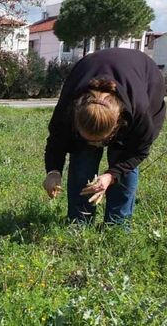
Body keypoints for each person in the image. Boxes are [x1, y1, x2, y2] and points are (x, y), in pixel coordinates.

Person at [43, 48, 165, 225]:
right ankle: (79, 221)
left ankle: (117, 224)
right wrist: (53, 171)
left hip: (145, 79)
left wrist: (111, 175)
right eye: (89, 139)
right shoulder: (69, 107)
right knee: (82, 155)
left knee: (122, 158)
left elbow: (137, 151)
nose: (96, 145)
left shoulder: (140, 113)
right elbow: (57, 140)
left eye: (100, 140)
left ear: (117, 125)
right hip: (89, 69)